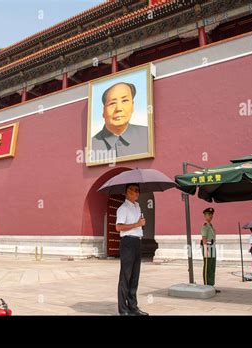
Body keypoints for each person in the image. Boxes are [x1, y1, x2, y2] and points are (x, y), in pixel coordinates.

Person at [115, 183, 149, 316]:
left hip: (137, 243)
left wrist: (141, 224)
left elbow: (138, 225)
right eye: (134, 190)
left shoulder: (137, 206)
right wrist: (137, 224)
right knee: (126, 276)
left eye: (138, 190)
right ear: (127, 192)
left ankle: (133, 307)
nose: (137, 193)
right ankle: (123, 310)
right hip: (128, 242)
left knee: (135, 277)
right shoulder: (122, 208)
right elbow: (118, 227)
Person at [91, 82, 148, 158]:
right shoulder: (91, 146)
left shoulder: (147, 134)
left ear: (132, 105)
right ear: (103, 111)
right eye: (112, 103)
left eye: (124, 101)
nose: (118, 109)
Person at [200, 207, 220, 292]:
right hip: (207, 247)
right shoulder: (205, 226)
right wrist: (205, 249)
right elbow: (204, 238)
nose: (211, 216)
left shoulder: (210, 226)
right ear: (205, 216)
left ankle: (211, 285)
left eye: (211, 214)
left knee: (212, 266)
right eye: (208, 214)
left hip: (212, 247)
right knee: (207, 267)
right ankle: (206, 286)